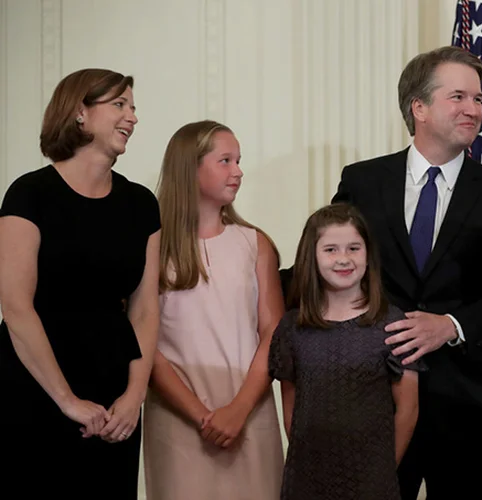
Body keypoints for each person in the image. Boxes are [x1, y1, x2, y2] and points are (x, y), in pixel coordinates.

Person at [331, 46, 482, 500]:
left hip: (464, 402)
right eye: (458, 97)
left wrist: (452, 326)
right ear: (418, 107)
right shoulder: (363, 181)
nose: (474, 109)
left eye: (478, 99)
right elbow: (330, 264)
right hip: (374, 394)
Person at [0, 69, 160, 498]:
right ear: (79, 113)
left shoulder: (141, 204)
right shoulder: (29, 194)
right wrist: (67, 400)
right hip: (36, 384)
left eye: (133, 106)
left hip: (114, 388)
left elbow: (146, 309)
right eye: (119, 105)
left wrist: (133, 397)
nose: (133, 117)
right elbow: (15, 306)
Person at [142, 120, 284, 499]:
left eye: (238, 160)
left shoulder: (255, 244)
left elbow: (273, 333)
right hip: (177, 416)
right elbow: (143, 339)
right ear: (190, 166)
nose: (238, 171)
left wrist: (237, 410)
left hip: (248, 410)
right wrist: (199, 414)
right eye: (225, 160)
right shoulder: (151, 248)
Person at [269, 202, 423, 500]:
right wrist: (306, 459)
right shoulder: (293, 326)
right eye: (331, 250)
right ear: (311, 257)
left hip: (373, 477)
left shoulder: (393, 324)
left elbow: (408, 409)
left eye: (354, 248)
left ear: (368, 255)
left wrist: (385, 467)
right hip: (307, 476)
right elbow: (291, 404)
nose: (343, 259)